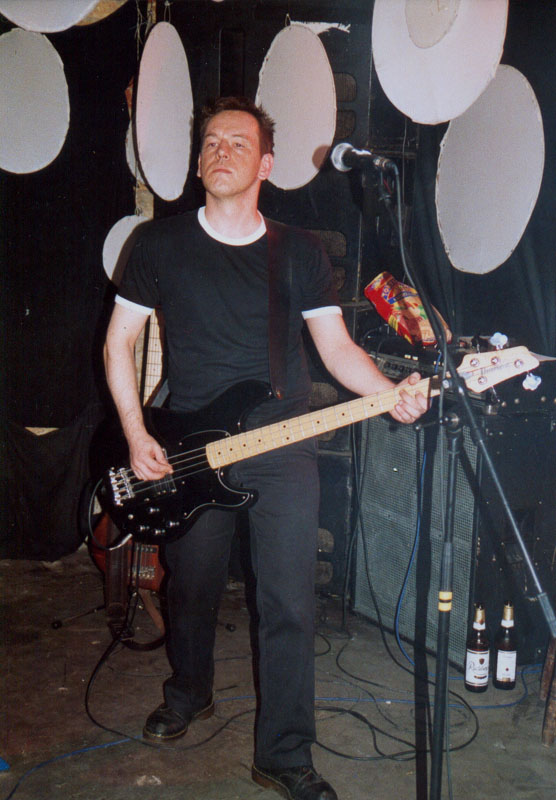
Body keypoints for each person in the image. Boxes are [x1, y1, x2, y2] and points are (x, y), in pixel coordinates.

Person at [103, 96, 428, 800]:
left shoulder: (299, 250)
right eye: (211, 141)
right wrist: (136, 433)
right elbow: (119, 341)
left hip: (282, 442)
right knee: (190, 584)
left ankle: (283, 753)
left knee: (288, 602)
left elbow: (335, 348)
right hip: (189, 445)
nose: (221, 150)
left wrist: (390, 392)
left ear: (267, 164)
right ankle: (189, 691)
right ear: (198, 161)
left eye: (239, 142)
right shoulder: (157, 244)